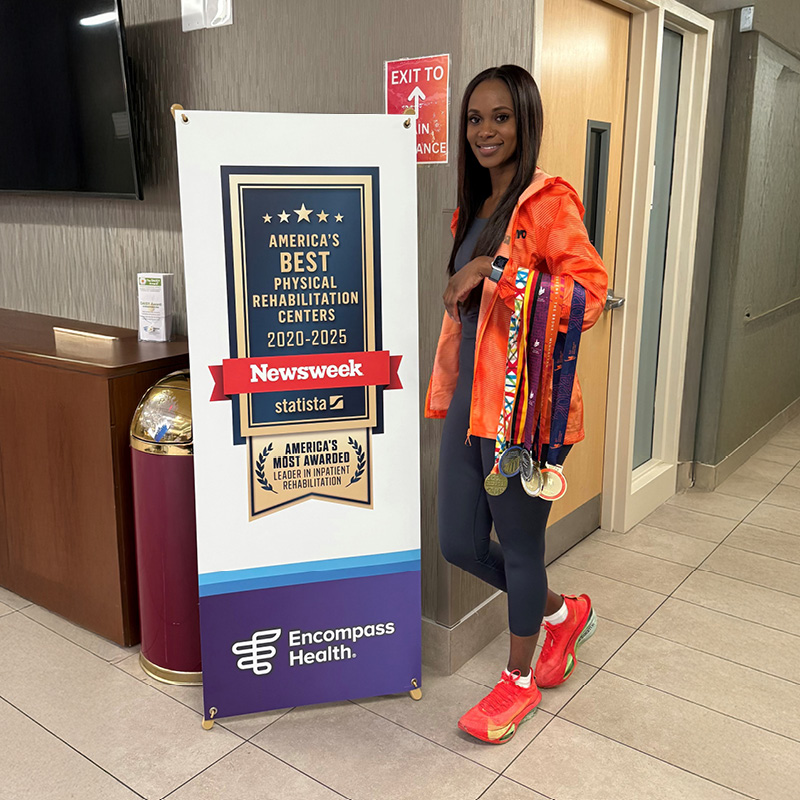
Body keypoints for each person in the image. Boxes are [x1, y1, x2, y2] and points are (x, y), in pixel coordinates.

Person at [425, 64, 608, 744]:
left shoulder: (550, 203)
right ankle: (562, 614)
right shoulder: (472, 209)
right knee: (458, 542)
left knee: (522, 547)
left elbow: (588, 298)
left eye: (500, 117)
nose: (485, 131)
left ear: (525, 122)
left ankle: (519, 680)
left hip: (523, 412)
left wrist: (492, 271)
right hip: (468, 405)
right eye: (475, 119)